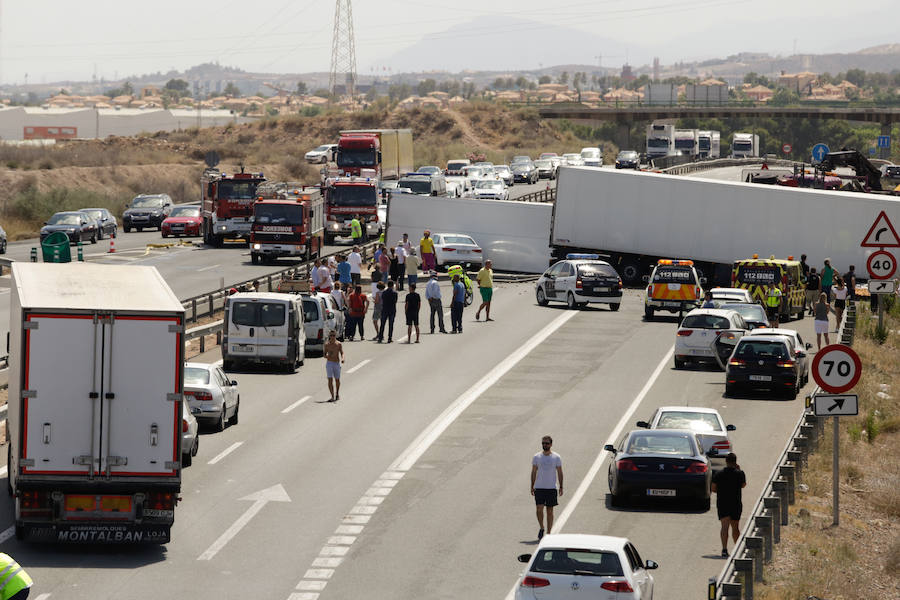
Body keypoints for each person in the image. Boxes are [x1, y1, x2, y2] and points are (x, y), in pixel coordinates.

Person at [711, 452, 746, 558]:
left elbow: (713, 489)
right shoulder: (740, 473)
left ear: (726, 462)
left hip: (723, 503)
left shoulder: (718, 474)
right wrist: (739, 470)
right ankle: (737, 549)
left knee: (724, 527)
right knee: (735, 527)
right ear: (735, 462)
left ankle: (724, 549)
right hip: (735, 503)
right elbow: (743, 485)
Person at [531, 435, 563, 540]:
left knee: (550, 511)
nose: (545, 445)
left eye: (547, 443)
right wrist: (532, 485)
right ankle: (542, 527)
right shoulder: (537, 457)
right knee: (539, 509)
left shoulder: (556, 457)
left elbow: (559, 472)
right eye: (543, 443)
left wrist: (561, 486)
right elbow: (534, 471)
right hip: (539, 487)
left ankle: (549, 533)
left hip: (551, 488)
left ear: (551, 444)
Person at [323, 330, 344, 402]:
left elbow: (342, 352)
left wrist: (343, 358)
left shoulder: (338, 344)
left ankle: (337, 393)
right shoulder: (327, 344)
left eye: (333, 335)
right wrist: (327, 356)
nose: (332, 337)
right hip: (329, 363)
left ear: (335, 336)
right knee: (330, 379)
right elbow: (324, 354)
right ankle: (332, 396)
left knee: (337, 380)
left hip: (336, 363)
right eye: (331, 335)